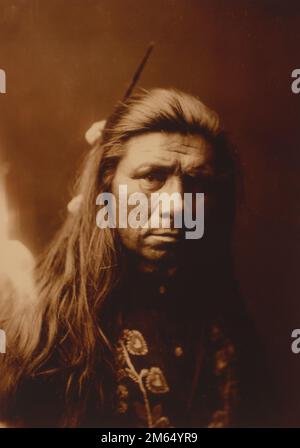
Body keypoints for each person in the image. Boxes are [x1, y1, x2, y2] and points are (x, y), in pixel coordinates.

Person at [0, 88, 273, 428]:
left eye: (197, 182)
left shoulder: (226, 314)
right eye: (152, 177)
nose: (176, 204)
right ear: (107, 184)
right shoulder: (46, 329)